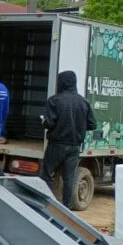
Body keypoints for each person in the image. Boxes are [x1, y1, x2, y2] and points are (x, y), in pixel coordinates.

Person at [40, 71, 96, 208]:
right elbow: (92, 124)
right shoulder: (84, 102)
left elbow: (50, 123)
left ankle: (45, 204)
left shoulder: (54, 100)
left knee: (46, 175)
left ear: (62, 83)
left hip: (56, 144)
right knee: (69, 178)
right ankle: (67, 208)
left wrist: (43, 121)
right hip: (74, 146)